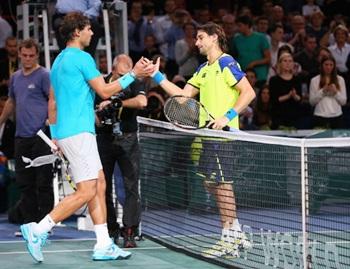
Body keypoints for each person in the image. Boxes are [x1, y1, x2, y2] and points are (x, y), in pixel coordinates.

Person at [19, 12, 154, 263]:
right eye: (89, 28)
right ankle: (37, 229)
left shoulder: (58, 61)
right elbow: (104, 91)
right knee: (86, 190)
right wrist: (134, 74)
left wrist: (57, 136)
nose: (92, 33)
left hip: (70, 133)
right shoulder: (82, 58)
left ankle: (103, 243)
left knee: (100, 183)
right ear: (77, 31)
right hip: (79, 133)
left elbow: (54, 101)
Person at [151, 22, 256, 258]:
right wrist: (156, 76)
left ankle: (227, 238)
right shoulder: (203, 69)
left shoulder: (226, 63)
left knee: (223, 184)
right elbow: (182, 97)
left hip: (222, 135)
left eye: (200, 37)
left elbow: (248, 92)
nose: (196, 42)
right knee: (212, 183)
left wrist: (227, 117)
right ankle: (236, 232)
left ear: (214, 38)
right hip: (207, 135)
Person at [0, 39, 54, 227]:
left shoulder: (44, 75)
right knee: (25, 183)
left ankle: (45, 225)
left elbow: (53, 100)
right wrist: (0, 121)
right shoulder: (15, 77)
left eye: (31, 56)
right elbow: (11, 101)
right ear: (20, 55)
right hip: (21, 138)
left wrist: (50, 122)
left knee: (43, 182)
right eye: (24, 55)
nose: (28, 59)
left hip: (42, 137)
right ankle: (31, 224)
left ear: (37, 55)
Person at [95, 54, 147, 248]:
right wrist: (100, 112)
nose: (127, 77)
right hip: (104, 139)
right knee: (103, 187)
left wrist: (118, 103)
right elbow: (95, 119)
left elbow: (142, 102)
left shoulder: (134, 80)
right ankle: (110, 228)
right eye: (123, 74)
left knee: (131, 186)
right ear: (114, 69)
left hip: (128, 139)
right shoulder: (100, 84)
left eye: (129, 73)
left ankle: (130, 231)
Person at [309, 55, 347, 129]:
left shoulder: (340, 80)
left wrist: (336, 92)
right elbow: (312, 102)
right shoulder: (314, 80)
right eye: (326, 64)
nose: (328, 67)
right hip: (320, 116)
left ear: (334, 66)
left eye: (331, 65)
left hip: (337, 117)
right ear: (322, 65)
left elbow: (343, 102)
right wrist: (323, 91)